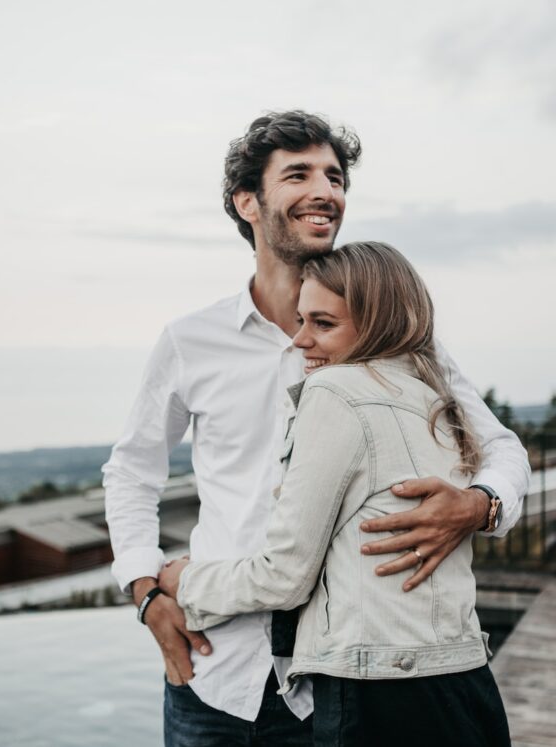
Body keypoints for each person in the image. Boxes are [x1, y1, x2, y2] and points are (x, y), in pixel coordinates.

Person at [103, 111, 529, 746]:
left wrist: (479, 504)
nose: (325, 190)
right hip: (212, 670)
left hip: (336, 686)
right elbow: (132, 472)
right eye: (298, 174)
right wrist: (146, 592)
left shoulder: (398, 340)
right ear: (247, 202)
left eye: (334, 176)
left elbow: (499, 445)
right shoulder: (190, 341)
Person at [158, 241, 512, 746]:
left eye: (323, 324)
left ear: (378, 324)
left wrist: (185, 582)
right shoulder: (435, 397)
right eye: (302, 321)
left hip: (379, 694)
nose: (300, 341)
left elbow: (284, 576)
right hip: (465, 680)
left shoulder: (334, 392)